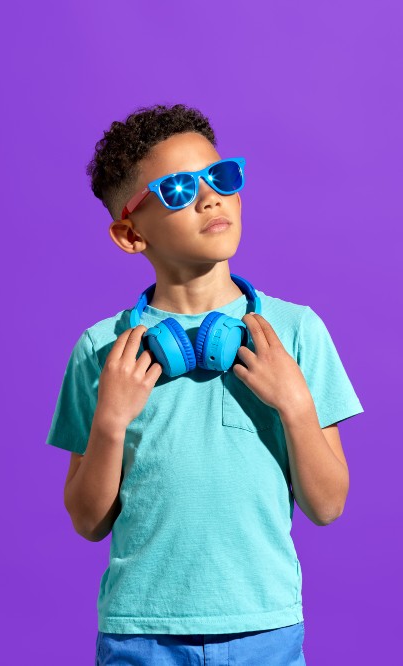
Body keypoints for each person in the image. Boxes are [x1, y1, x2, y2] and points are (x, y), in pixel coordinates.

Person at [46, 103, 365, 665]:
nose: (210, 198)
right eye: (177, 190)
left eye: (221, 177)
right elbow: (88, 521)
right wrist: (111, 421)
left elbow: (328, 504)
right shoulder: (102, 350)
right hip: (140, 631)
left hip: (263, 626)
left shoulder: (295, 332)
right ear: (129, 234)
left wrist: (293, 401)